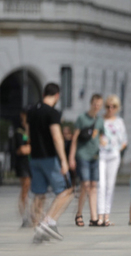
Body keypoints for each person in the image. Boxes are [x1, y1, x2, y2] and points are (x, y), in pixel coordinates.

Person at [26, 83, 74, 244]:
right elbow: (56, 137)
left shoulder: (31, 111)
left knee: (39, 194)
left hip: (35, 157)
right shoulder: (53, 113)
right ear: (57, 95)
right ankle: (48, 223)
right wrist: (64, 160)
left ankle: (37, 230)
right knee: (67, 191)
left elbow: (28, 134)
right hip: (49, 157)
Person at [69, 93, 104, 227]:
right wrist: (71, 157)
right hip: (83, 155)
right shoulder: (82, 118)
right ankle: (79, 213)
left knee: (93, 186)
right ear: (91, 103)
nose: (97, 107)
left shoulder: (100, 121)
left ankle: (94, 218)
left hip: (95, 156)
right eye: (95, 104)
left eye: (99, 105)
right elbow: (74, 138)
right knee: (86, 184)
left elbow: (102, 137)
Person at [97, 94, 128, 227]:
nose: (110, 109)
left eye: (113, 106)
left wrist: (117, 150)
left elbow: (124, 141)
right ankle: (99, 216)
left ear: (117, 108)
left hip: (113, 155)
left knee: (110, 186)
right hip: (100, 155)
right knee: (101, 185)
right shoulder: (100, 120)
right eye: (108, 106)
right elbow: (94, 135)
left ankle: (107, 216)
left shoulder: (119, 122)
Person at [12, 109, 32, 227]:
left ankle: (31, 214)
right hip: (23, 164)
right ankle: (24, 216)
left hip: (32, 163)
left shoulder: (32, 131)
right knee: (25, 189)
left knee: (32, 190)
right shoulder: (19, 132)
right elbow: (22, 150)